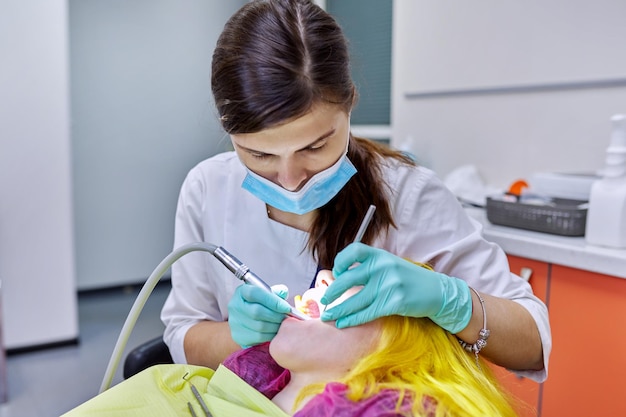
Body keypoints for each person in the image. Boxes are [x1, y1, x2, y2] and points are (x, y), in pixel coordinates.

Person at [161, 0, 550, 382]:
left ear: (349, 104)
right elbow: (183, 336)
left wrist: (447, 299)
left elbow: (531, 344)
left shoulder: (409, 195)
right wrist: (236, 335)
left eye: (314, 147)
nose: (291, 179)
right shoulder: (207, 188)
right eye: (259, 154)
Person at [63, 271, 519, 416]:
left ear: (401, 348)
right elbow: (182, 328)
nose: (321, 278)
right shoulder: (234, 382)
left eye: (352, 290)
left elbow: (532, 337)